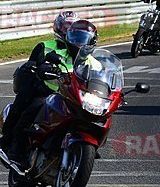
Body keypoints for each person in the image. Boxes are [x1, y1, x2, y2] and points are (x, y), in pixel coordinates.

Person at [7, 19, 98, 167]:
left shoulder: (94, 63)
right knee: (36, 106)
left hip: (75, 97)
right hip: (50, 92)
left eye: (83, 39)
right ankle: (16, 145)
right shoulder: (53, 51)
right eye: (75, 38)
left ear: (92, 42)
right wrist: (44, 68)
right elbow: (39, 64)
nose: (78, 43)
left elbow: (103, 79)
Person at [0, 10, 78, 155]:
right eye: (65, 26)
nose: (68, 31)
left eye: (71, 28)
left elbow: (94, 68)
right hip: (48, 90)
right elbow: (32, 64)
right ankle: (13, 141)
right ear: (58, 28)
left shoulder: (82, 51)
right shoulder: (45, 46)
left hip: (73, 94)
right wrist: (41, 66)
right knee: (30, 106)